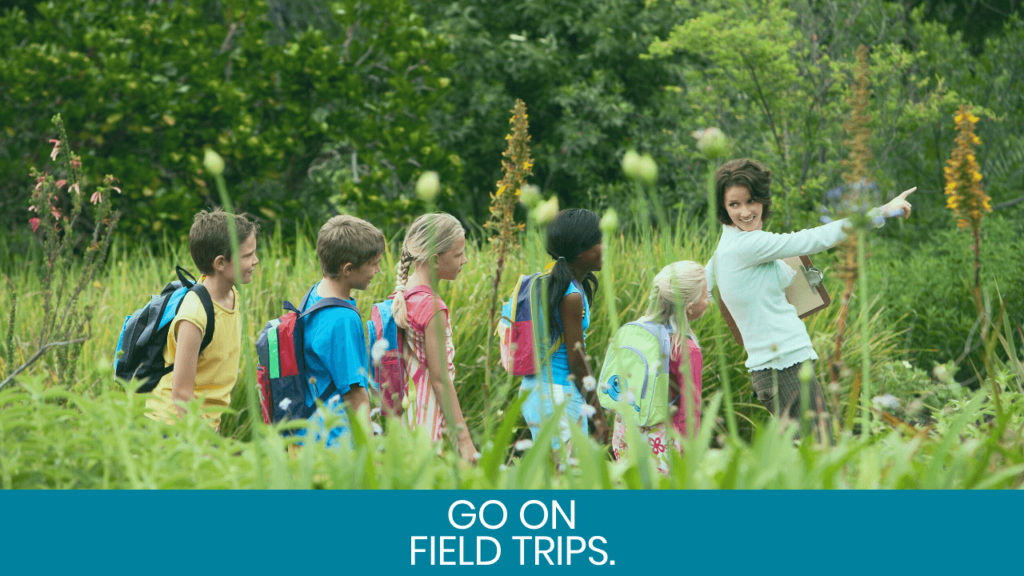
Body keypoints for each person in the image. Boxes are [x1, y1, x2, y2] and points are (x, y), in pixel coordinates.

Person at [705, 158, 914, 442]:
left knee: (809, 461)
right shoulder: (747, 246)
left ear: (763, 199)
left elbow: (702, 284)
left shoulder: (728, 244)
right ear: (723, 208)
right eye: (734, 204)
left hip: (781, 367)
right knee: (819, 458)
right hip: (783, 367)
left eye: (751, 200)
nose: (745, 211)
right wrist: (882, 211)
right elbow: (814, 238)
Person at [146, 209, 259, 431]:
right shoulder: (194, 316)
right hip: (174, 426)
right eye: (247, 256)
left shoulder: (231, 294)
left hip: (203, 422)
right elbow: (181, 394)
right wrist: (205, 443)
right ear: (220, 263)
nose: (255, 261)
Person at [390, 212, 477, 462]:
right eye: (459, 255)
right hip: (429, 421)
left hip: (406, 416)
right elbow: (440, 381)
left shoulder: (402, 298)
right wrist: (465, 441)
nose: (465, 260)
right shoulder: (432, 307)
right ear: (436, 260)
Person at [520, 208, 610, 449]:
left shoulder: (546, 281)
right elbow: (577, 362)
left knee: (555, 476)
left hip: (534, 390)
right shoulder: (570, 296)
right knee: (568, 479)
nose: (606, 245)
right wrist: (598, 416)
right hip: (557, 394)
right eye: (600, 240)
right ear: (582, 250)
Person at [611, 261, 708, 474]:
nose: (708, 301)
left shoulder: (637, 333)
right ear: (689, 307)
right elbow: (690, 409)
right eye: (706, 296)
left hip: (626, 430)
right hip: (661, 440)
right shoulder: (686, 349)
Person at [298, 215, 384, 447]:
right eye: (374, 263)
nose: (378, 270)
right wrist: (369, 457)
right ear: (348, 269)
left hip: (309, 432)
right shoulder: (342, 319)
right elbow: (355, 394)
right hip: (336, 441)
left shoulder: (315, 295)